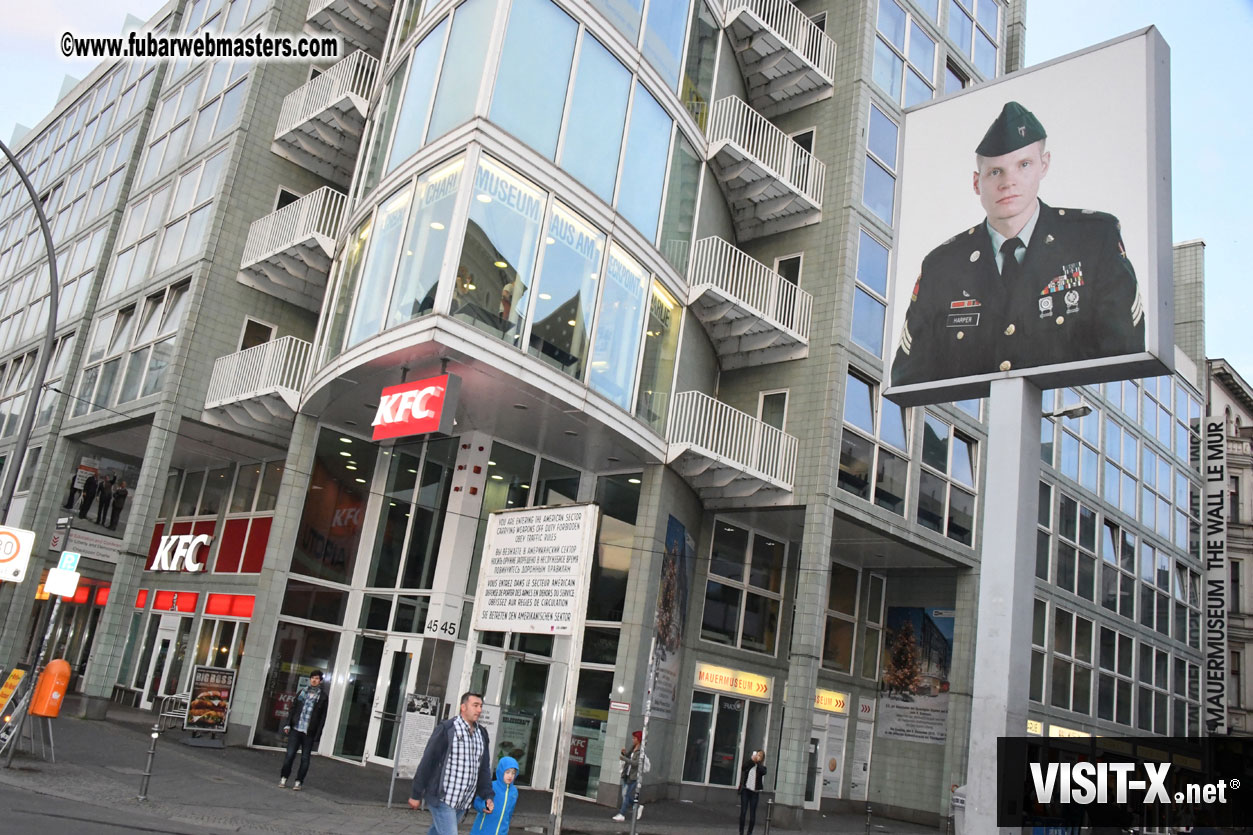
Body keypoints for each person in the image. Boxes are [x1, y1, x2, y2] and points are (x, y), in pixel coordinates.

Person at [891, 101, 1144, 387]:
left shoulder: (1094, 239)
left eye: (1023, 165)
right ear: (977, 182)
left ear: (1044, 165)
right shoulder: (942, 266)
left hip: (1064, 423)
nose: (1008, 182)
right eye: (995, 172)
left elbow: (1125, 359)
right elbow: (909, 382)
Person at [408, 692, 495, 835]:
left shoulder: (482, 734)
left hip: (463, 801)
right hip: (443, 799)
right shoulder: (447, 729)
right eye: (475, 705)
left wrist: (487, 796)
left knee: (437, 832)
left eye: (480, 706)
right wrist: (416, 793)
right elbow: (428, 761)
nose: (479, 710)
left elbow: (483, 768)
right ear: (463, 707)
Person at [279, 669, 329, 790]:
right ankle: (284, 778)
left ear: (320, 681)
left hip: (309, 732)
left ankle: (298, 781)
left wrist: (318, 734)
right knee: (290, 755)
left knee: (305, 758)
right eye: (312, 678)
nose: (314, 680)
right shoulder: (302, 692)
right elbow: (293, 709)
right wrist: (288, 724)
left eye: (317, 678)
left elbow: (322, 717)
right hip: (296, 728)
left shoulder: (322, 697)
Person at [469, 756, 519, 835]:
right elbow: (476, 801)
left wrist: (506, 829)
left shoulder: (514, 792)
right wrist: (484, 805)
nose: (510, 776)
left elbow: (509, 813)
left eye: (513, 773)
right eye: (507, 772)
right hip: (482, 831)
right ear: (501, 771)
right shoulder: (490, 786)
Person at [613, 730, 645, 822]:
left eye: (634, 738)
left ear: (638, 739)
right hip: (626, 774)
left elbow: (635, 763)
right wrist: (624, 753)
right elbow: (628, 756)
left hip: (633, 776)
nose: (633, 739)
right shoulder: (633, 747)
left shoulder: (640, 751)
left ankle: (622, 814)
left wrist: (624, 758)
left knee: (626, 794)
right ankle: (638, 806)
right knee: (624, 795)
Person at [738, 750, 768, 835]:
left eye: (760, 756)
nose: (758, 756)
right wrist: (752, 761)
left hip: (754, 793)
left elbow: (764, 772)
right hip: (746, 790)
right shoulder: (750, 764)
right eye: (757, 755)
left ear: (762, 758)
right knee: (743, 812)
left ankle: (749, 832)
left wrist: (758, 763)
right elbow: (743, 767)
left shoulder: (762, 767)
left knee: (752, 814)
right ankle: (741, 831)